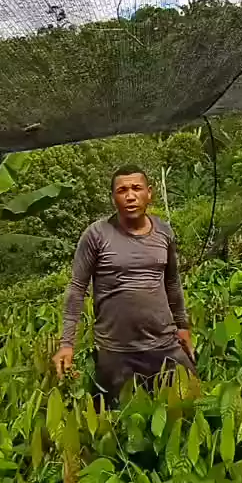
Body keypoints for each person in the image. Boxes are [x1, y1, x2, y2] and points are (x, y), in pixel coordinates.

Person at [53, 165, 195, 403]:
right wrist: (67, 343)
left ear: (149, 193)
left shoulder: (164, 232)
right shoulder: (96, 234)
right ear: (113, 197)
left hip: (164, 343)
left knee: (188, 404)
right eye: (122, 190)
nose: (130, 196)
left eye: (137, 188)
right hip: (116, 351)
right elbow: (77, 288)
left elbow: (172, 282)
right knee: (118, 416)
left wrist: (183, 326)